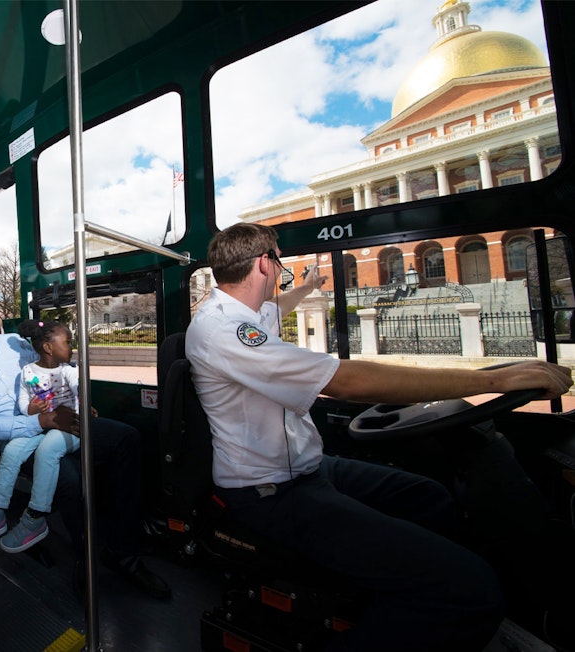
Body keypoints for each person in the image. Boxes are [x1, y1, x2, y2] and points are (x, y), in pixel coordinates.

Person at [185, 223, 574, 651]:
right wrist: (496, 378)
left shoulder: (245, 315)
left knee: (428, 497)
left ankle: (393, 596)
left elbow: (275, 307)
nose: (281, 271)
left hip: (309, 469)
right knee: (470, 590)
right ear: (265, 263)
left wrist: (309, 286)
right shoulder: (223, 329)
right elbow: (347, 382)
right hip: (268, 491)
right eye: (279, 261)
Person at [0, 307, 170, 598]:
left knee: (126, 438)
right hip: (19, 439)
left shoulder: (14, 342)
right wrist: (41, 421)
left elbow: (50, 373)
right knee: (70, 478)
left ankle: (122, 550)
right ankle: (84, 559)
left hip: (58, 418)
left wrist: (74, 403)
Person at [0, 319, 81, 553]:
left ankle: (36, 515)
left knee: (48, 449)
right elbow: (22, 401)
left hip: (66, 427)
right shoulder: (28, 372)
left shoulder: (68, 371)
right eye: (68, 342)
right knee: (11, 451)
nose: (71, 347)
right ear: (48, 348)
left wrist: (83, 409)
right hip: (40, 425)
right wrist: (31, 409)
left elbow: (81, 392)